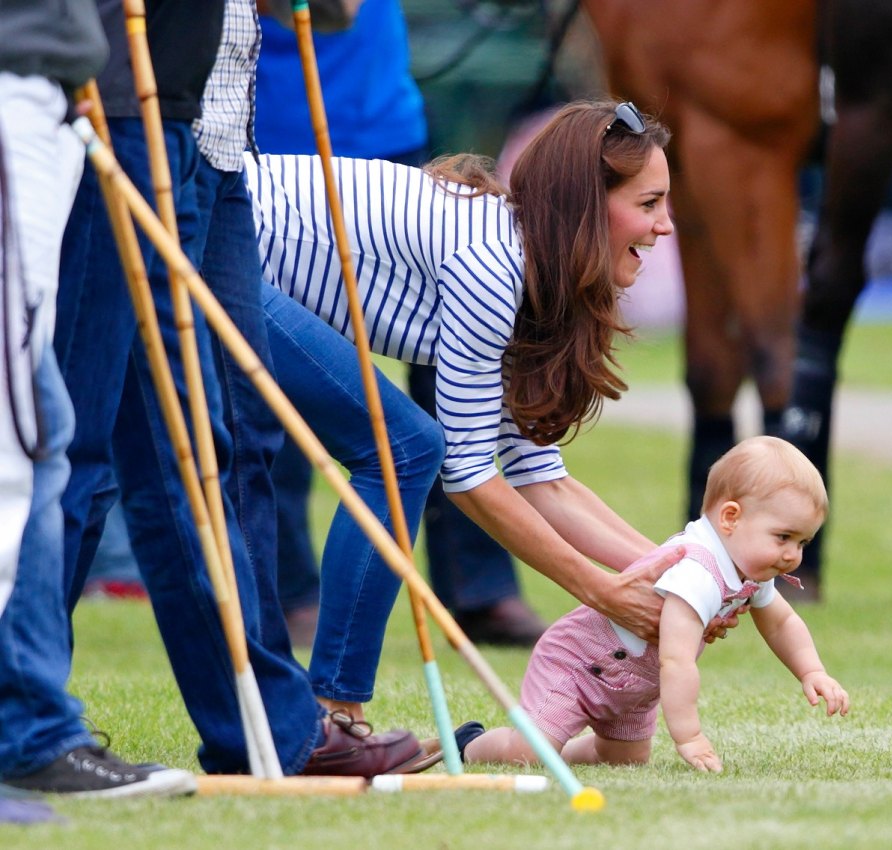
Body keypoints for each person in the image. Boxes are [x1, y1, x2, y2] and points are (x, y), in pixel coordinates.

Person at [243, 100, 730, 723]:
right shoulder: (493, 268)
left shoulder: (528, 267)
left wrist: (683, 573)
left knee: (409, 446)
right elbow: (470, 476)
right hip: (213, 243)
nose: (665, 226)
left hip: (225, 240)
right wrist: (601, 590)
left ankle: (334, 711)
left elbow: (541, 479)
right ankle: (336, 713)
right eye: (648, 204)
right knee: (409, 448)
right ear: (585, 207)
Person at [50, 0, 432, 780]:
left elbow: (334, 12)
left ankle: (264, 722)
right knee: (105, 444)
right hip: (130, 116)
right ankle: (32, 713)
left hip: (216, 141)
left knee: (226, 441)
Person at [254, 0, 545, 649]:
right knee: (279, 365)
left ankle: (479, 586)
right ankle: (293, 588)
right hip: (271, 131)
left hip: (379, 114)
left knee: (460, 359)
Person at [0, 0, 195, 803]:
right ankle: (32, 733)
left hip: (51, 102)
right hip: (18, 100)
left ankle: (31, 729)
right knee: (26, 441)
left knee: (40, 435)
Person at [454, 436, 850, 772]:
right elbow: (676, 660)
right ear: (730, 518)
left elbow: (782, 623)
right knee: (531, 753)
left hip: (634, 686)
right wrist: (689, 736)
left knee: (621, 759)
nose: (792, 556)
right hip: (580, 664)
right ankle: (471, 745)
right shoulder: (696, 570)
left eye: (802, 543)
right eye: (783, 537)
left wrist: (811, 670)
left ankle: (562, 749)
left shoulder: (749, 568)